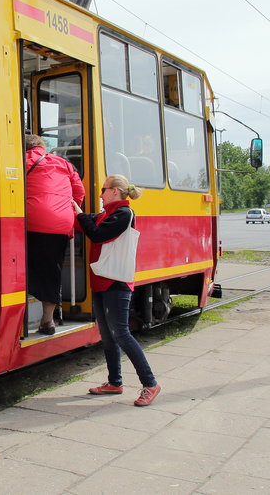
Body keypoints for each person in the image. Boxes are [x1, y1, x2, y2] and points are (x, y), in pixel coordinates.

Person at [72, 174, 161, 406]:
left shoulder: (124, 214)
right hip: (102, 279)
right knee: (108, 334)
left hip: (116, 282)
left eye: (103, 189)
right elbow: (87, 222)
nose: (100, 194)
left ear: (114, 191)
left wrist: (80, 214)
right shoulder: (107, 214)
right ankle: (115, 382)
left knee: (121, 333)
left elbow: (97, 233)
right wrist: (75, 210)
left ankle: (150, 383)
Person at [24, 133, 85, 335]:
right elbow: (79, 191)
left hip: (32, 219)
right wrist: (69, 214)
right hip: (61, 222)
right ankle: (48, 320)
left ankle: (20, 318)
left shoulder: (23, 161)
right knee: (52, 269)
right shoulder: (64, 164)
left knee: (25, 267)